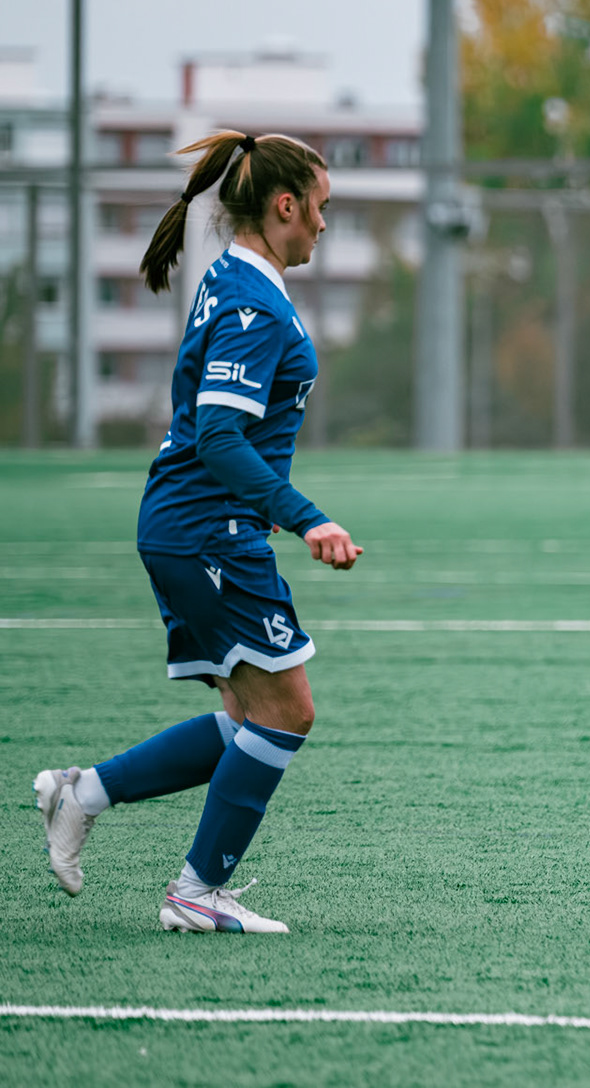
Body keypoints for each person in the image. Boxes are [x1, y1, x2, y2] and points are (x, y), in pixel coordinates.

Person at [33, 131, 361, 933]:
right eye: (321, 207)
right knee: (287, 712)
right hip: (207, 527)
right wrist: (306, 516)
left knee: (255, 718)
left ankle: (83, 794)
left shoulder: (233, 278)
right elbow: (218, 434)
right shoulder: (252, 301)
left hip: (191, 524)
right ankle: (194, 891)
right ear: (285, 205)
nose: (324, 224)